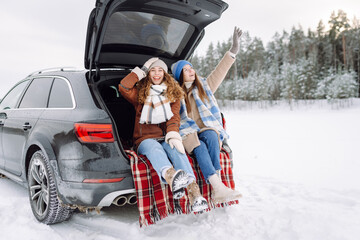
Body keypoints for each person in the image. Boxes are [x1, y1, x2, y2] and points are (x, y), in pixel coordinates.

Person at [118, 57, 208, 212]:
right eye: (153, 70)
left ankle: (195, 195)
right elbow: (123, 87)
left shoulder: (173, 94)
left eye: (160, 70)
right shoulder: (140, 94)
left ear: (165, 74)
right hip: (144, 139)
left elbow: (174, 118)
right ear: (149, 73)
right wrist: (143, 69)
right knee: (155, 149)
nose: (156, 74)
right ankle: (172, 177)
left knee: (177, 152)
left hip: (165, 136)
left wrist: (173, 134)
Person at [170, 27, 243, 204]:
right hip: (187, 133)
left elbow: (220, 71)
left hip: (204, 130)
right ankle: (217, 187)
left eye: (191, 68)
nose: (191, 71)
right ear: (180, 74)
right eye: (186, 69)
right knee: (199, 146)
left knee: (211, 134)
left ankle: (218, 187)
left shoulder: (204, 87)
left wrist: (233, 50)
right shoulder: (175, 94)